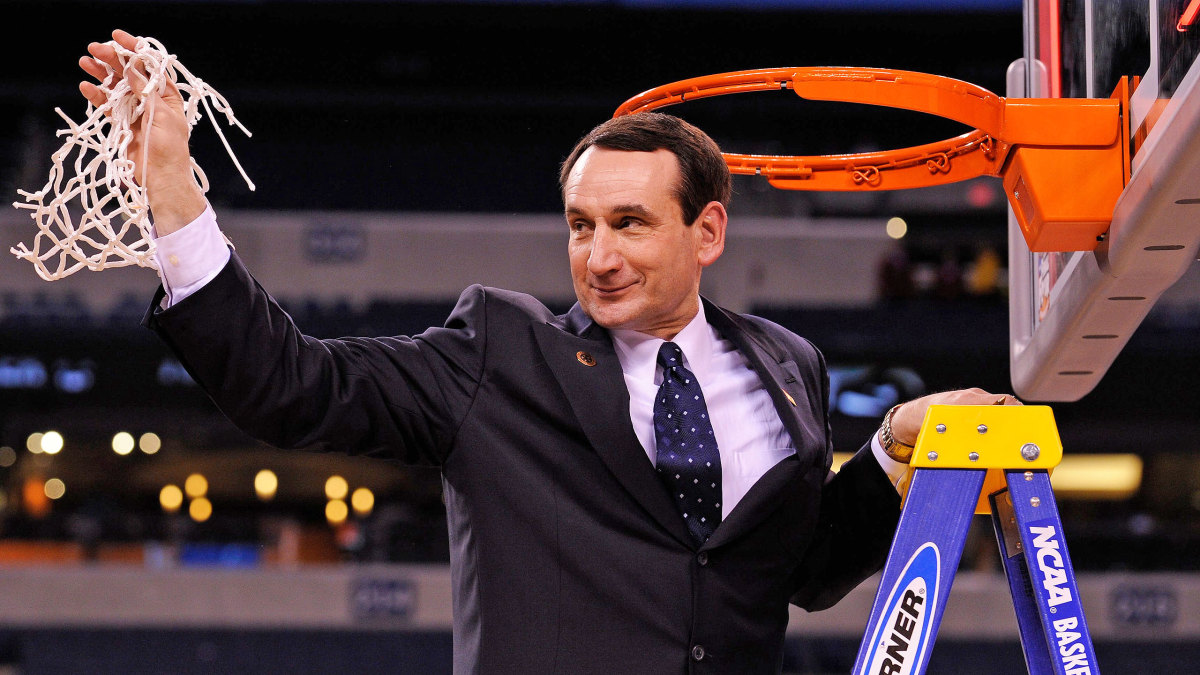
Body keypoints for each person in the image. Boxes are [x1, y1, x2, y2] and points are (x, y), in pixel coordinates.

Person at [80, 30, 1019, 675]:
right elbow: (289, 387)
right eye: (579, 225)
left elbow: (801, 568)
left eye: (629, 223)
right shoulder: (497, 354)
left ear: (709, 230)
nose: (597, 256)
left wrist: (895, 447)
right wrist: (173, 195)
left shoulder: (789, 364)